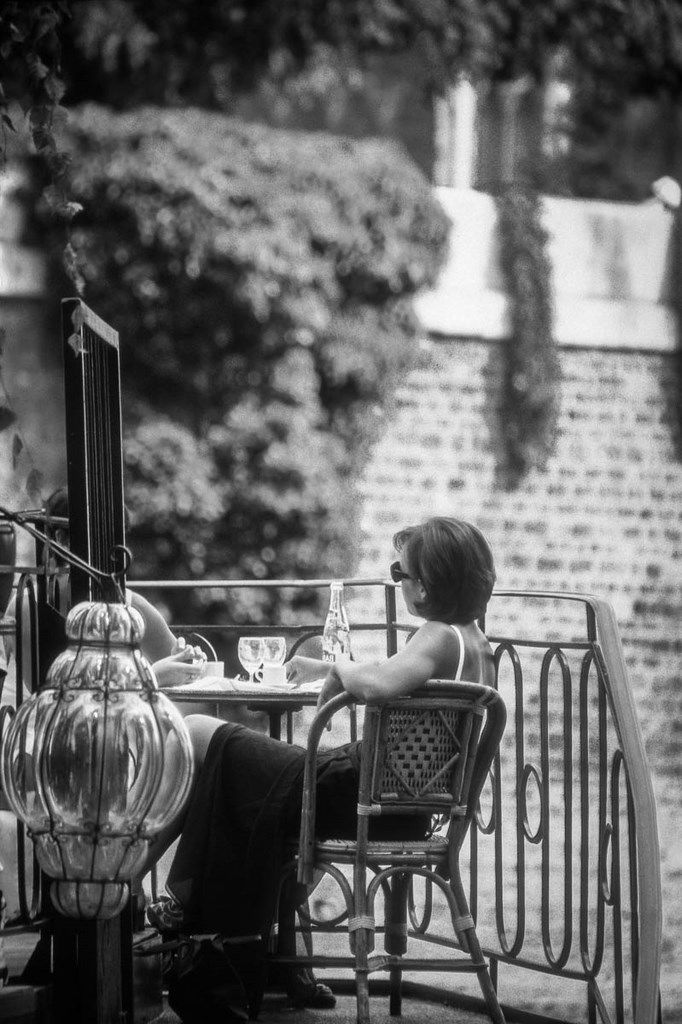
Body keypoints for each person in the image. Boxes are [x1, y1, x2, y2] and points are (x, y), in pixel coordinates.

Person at [144, 516, 497, 1023]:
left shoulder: (439, 635)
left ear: (429, 583)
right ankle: (199, 927)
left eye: (403, 575)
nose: (401, 584)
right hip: (398, 806)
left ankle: (170, 913)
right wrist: (328, 671)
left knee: (202, 735)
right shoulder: (476, 644)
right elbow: (388, 678)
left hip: (354, 793)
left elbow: (375, 687)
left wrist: (336, 670)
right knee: (225, 762)